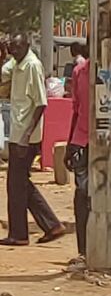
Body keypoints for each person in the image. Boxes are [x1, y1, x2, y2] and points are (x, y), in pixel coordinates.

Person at [64, 42, 111, 270]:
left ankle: (104, 248)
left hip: (109, 144)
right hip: (82, 141)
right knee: (82, 196)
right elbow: (76, 109)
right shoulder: (79, 72)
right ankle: (83, 251)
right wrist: (69, 144)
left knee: (107, 198)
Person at [0, 34, 65, 246]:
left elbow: (41, 103)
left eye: (17, 47)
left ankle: (20, 234)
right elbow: (3, 75)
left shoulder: (32, 66)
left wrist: (27, 136)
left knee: (16, 183)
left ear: (26, 46)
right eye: (11, 48)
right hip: (17, 131)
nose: (14, 51)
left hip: (27, 135)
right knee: (19, 183)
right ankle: (51, 225)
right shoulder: (16, 63)